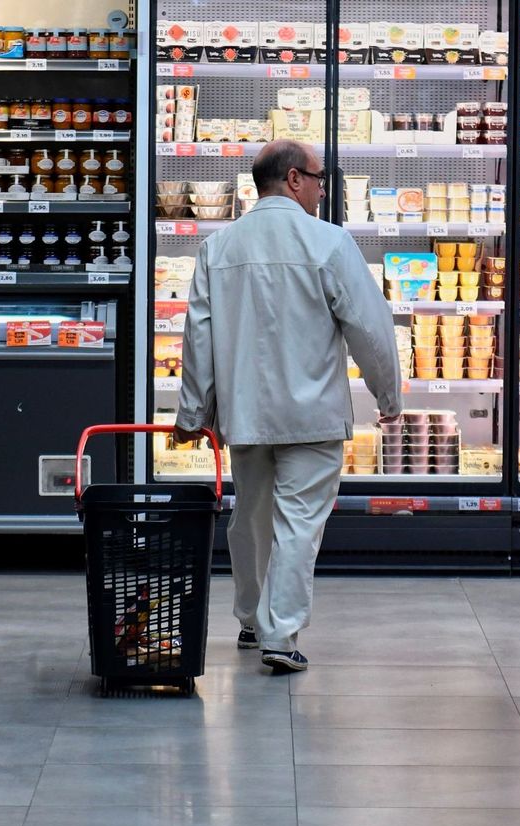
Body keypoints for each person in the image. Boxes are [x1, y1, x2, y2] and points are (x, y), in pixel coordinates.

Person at [173, 139, 401, 673]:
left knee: (250, 517)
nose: (325, 189)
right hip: (312, 414)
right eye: (321, 178)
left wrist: (192, 415)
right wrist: (387, 394)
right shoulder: (329, 242)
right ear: (295, 179)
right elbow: (370, 327)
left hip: (245, 413)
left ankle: (252, 620)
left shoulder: (219, 247)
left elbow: (198, 337)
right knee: (298, 523)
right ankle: (280, 635)